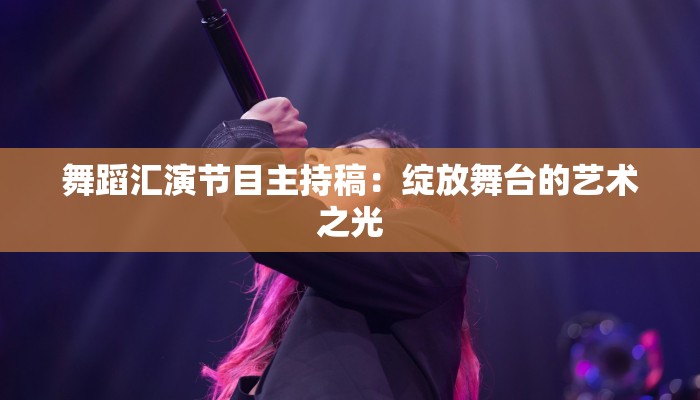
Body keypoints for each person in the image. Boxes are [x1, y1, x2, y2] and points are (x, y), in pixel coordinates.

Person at [201, 97, 480, 400]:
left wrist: (249, 131)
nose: (313, 156)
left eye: (353, 153)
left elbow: (264, 211)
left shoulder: (426, 243)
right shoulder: (319, 301)